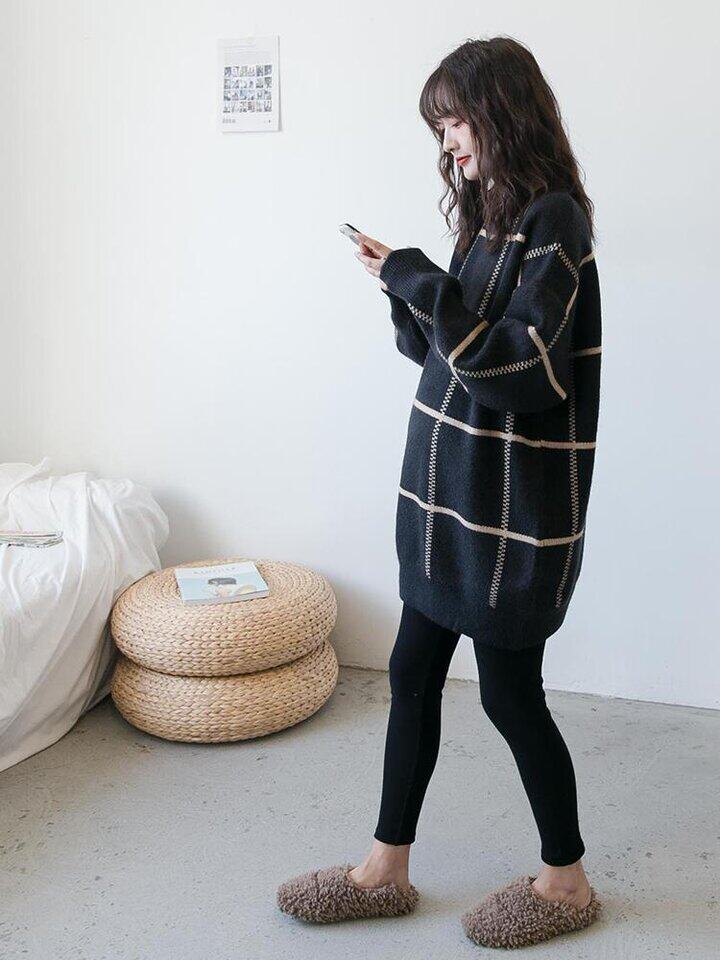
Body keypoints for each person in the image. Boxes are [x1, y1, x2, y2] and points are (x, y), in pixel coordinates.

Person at [277, 36, 603, 949]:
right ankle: (384, 869)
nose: (448, 141)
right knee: (413, 674)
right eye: (441, 127)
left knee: (510, 697)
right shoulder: (489, 217)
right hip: (443, 500)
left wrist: (421, 277)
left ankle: (567, 881)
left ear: (501, 114)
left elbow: (523, 372)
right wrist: (403, 286)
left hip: (508, 515)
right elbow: (446, 354)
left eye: (456, 121)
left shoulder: (555, 221)